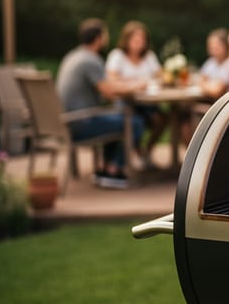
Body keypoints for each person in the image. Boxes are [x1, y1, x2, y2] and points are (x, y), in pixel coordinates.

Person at [56, 18, 145, 188]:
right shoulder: (91, 60)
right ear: (98, 38)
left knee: (118, 117)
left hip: (68, 121)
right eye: (105, 35)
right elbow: (109, 92)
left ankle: (106, 168)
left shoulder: (73, 56)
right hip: (80, 123)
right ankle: (114, 171)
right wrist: (137, 86)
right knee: (134, 122)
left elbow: (105, 89)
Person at [105, 20, 166, 164]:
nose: (140, 42)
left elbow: (161, 76)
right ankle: (136, 154)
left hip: (147, 102)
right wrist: (136, 82)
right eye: (136, 38)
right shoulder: (117, 55)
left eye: (143, 39)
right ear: (127, 39)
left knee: (162, 118)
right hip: (126, 101)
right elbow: (112, 81)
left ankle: (146, 152)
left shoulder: (149, 56)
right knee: (135, 120)